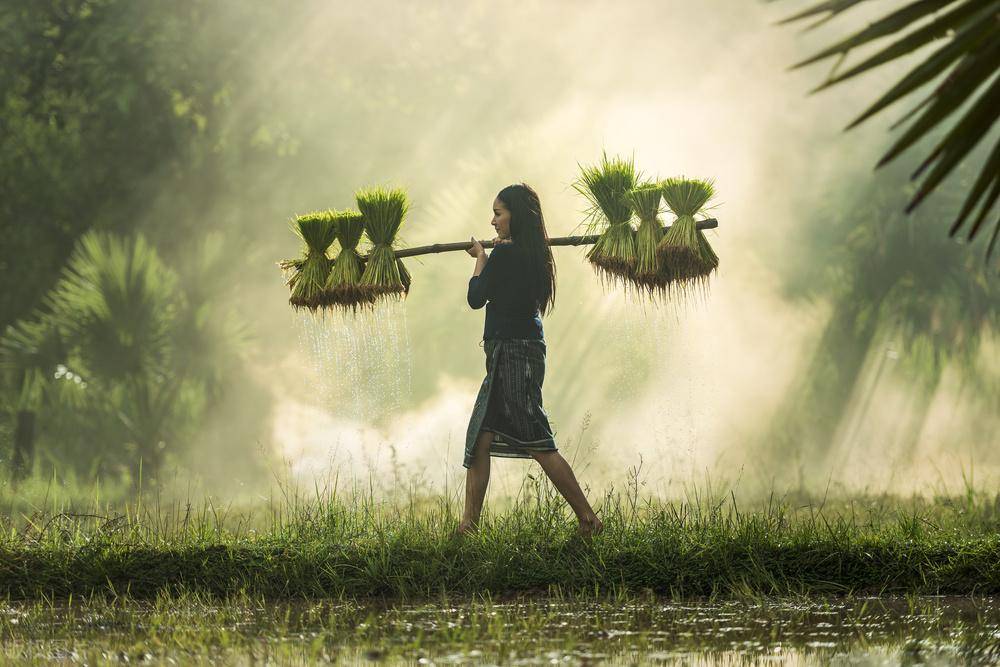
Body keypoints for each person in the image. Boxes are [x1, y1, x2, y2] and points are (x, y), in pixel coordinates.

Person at [458, 182, 603, 538]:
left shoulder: (506, 256)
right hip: (517, 351)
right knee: (480, 438)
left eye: (498, 213)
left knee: (537, 439)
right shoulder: (532, 254)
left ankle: (588, 519)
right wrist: (495, 255)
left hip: (513, 354)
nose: (493, 221)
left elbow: (476, 297)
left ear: (515, 216)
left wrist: (480, 258)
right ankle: (468, 528)